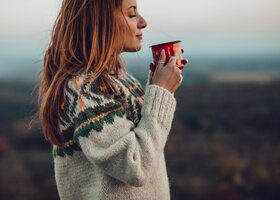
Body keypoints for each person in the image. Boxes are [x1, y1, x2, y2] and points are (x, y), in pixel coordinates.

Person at [39, 0, 184, 199]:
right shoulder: (85, 89)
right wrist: (160, 91)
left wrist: (158, 86)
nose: (143, 22)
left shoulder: (120, 79)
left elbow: (147, 142)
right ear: (101, 21)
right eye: (132, 14)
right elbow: (135, 165)